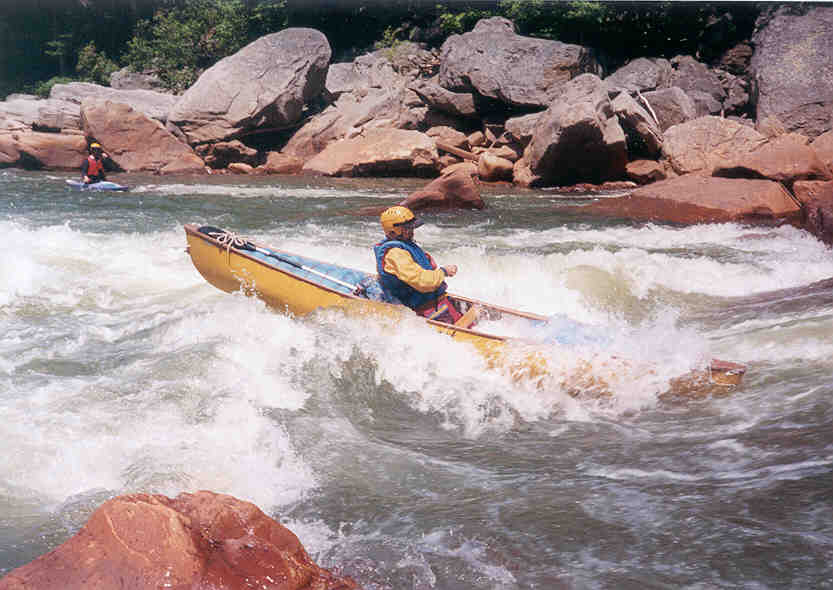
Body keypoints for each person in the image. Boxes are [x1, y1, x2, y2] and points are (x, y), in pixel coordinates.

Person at [374, 205, 462, 324]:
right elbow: (423, 282)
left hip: (434, 302)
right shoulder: (395, 254)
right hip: (423, 309)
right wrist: (443, 272)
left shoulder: (405, 245)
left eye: (411, 227)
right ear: (393, 232)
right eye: (407, 228)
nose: (412, 231)